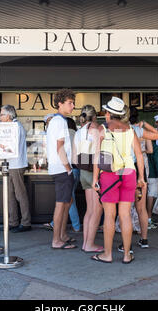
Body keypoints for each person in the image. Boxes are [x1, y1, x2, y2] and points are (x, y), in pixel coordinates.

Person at [91, 97, 146, 264]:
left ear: (109, 114)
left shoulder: (102, 129)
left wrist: (95, 179)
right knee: (125, 215)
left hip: (109, 175)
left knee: (109, 215)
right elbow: (139, 155)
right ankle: (127, 255)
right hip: (129, 173)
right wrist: (141, 177)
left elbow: (97, 156)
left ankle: (107, 255)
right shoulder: (130, 130)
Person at [119, 106, 158, 251]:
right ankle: (144, 239)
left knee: (126, 209)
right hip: (139, 170)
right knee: (141, 208)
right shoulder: (138, 131)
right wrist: (145, 124)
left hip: (124, 171)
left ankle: (127, 244)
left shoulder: (116, 130)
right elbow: (157, 135)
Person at [46, 88, 77, 249]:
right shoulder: (60, 122)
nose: (72, 106)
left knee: (67, 201)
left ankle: (62, 235)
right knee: (61, 203)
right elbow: (60, 147)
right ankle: (56, 240)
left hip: (58, 168)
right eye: (70, 103)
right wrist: (68, 168)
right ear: (60, 104)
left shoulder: (56, 121)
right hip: (62, 168)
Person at [73, 105, 104, 253]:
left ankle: (86, 243)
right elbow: (99, 153)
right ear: (95, 117)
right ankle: (90, 244)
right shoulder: (96, 129)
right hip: (94, 172)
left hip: (83, 172)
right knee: (97, 209)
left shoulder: (79, 132)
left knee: (89, 210)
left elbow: (75, 155)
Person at [0, 105, 32, 233]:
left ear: (8, 115)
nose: (0, 117)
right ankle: (13, 221)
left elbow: (11, 147)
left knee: (20, 194)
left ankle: (25, 222)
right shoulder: (11, 127)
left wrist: (0, 148)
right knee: (10, 195)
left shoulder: (16, 127)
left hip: (16, 164)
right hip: (10, 164)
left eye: (2, 114)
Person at [46, 118, 82, 232]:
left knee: (68, 200)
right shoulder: (76, 134)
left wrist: (68, 169)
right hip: (76, 169)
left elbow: (60, 149)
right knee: (69, 199)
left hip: (68, 169)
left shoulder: (66, 134)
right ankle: (57, 225)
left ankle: (74, 226)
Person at [147, 140, 158, 225]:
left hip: (139, 175)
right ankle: (148, 219)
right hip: (152, 175)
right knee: (151, 196)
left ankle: (139, 219)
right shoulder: (154, 147)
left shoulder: (137, 143)